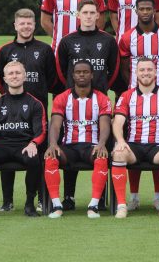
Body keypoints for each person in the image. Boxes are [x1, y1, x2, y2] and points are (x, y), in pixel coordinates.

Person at [0, 8, 56, 211]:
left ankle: (38, 198)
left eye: (29, 23)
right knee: (6, 150)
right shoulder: (5, 50)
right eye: (22, 23)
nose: (26, 27)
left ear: (34, 25)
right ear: (15, 25)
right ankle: (7, 201)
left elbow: (53, 79)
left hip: (38, 113)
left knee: (38, 156)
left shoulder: (45, 49)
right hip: (9, 112)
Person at [110, 58, 159, 219]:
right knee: (119, 154)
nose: (146, 73)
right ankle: (122, 205)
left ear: (156, 72)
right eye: (142, 70)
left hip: (157, 146)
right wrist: (120, 141)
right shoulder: (127, 96)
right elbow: (117, 123)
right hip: (133, 146)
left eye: (149, 69)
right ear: (136, 73)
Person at [0, 61, 46, 217]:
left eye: (18, 73)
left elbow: (40, 131)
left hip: (24, 146)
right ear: (4, 79)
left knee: (35, 158)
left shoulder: (35, 103)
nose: (15, 76)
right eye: (11, 73)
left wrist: (34, 143)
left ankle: (29, 205)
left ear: (25, 76)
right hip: (1, 147)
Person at [43, 61, 112, 218]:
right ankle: (56, 205)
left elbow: (105, 125)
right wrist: (53, 144)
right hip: (70, 147)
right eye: (78, 72)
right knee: (50, 157)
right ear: (73, 75)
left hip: (91, 147)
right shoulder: (62, 98)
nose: (82, 74)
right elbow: (55, 125)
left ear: (92, 75)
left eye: (86, 72)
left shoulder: (102, 99)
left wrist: (101, 144)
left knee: (101, 156)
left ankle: (93, 206)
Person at [55, 0, 118, 95]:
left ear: (97, 15)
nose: (88, 16)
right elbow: (60, 72)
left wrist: (103, 86)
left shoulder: (108, 40)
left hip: (100, 96)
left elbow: (114, 70)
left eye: (92, 13)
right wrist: (72, 86)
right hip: (73, 95)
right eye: (85, 12)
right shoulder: (66, 41)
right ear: (78, 15)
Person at [118, 0, 159, 91]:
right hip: (135, 92)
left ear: (154, 11)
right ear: (136, 11)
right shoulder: (126, 38)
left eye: (148, 9)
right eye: (141, 9)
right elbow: (124, 70)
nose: (145, 12)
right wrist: (134, 86)